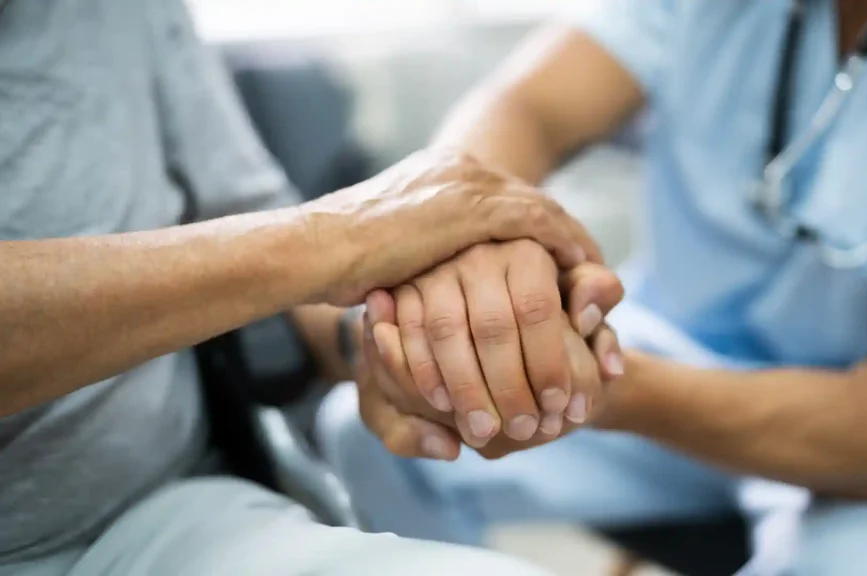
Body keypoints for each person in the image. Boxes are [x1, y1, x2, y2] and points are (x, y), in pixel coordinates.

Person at [320, 0, 867, 574]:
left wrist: (576, 375)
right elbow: (526, 108)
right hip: (676, 343)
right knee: (379, 432)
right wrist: (467, 252)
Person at [0, 1, 622, 574]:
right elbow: (297, 258)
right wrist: (344, 237)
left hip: (161, 518)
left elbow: (268, 280)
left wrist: (400, 345)